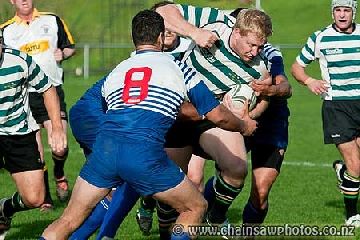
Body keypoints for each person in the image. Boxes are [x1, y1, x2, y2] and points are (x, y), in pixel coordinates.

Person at [40, 10, 256, 240]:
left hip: (105, 151)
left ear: (134, 38)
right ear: (161, 37)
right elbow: (218, 116)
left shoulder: (118, 70)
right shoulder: (179, 68)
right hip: (142, 153)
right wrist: (244, 126)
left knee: (68, 220)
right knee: (195, 207)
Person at [153, 3, 274, 233]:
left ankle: (215, 214)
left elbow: (265, 97)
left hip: (212, 115)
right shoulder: (216, 22)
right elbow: (163, 11)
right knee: (169, 186)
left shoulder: (259, 68)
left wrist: (249, 112)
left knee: (237, 168)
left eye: (261, 46)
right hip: (180, 111)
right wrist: (194, 32)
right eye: (251, 45)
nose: (255, 52)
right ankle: (164, 226)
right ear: (237, 32)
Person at [1, 0, 76, 209]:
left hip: (50, 88)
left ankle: (59, 174)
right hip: (23, 96)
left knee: (60, 147)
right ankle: (46, 200)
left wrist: (64, 53)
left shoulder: (52, 20)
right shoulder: (6, 30)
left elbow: (70, 47)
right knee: (38, 151)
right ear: (12, 1)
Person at [291, 0, 360, 227]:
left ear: (353, 12)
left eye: (346, 10)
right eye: (338, 10)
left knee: (356, 166)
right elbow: (297, 67)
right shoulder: (320, 37)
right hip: (337, 106)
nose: (341, 15)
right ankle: (351, 216)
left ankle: (342, 173)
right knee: (355, 164)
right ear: (333, 12)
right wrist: (309, 80)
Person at [0, 28, 66, 236]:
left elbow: (47, 88)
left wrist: (56, 128)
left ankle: (5, 209)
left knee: (35, 198)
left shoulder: (19, 61)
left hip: (18, 133)